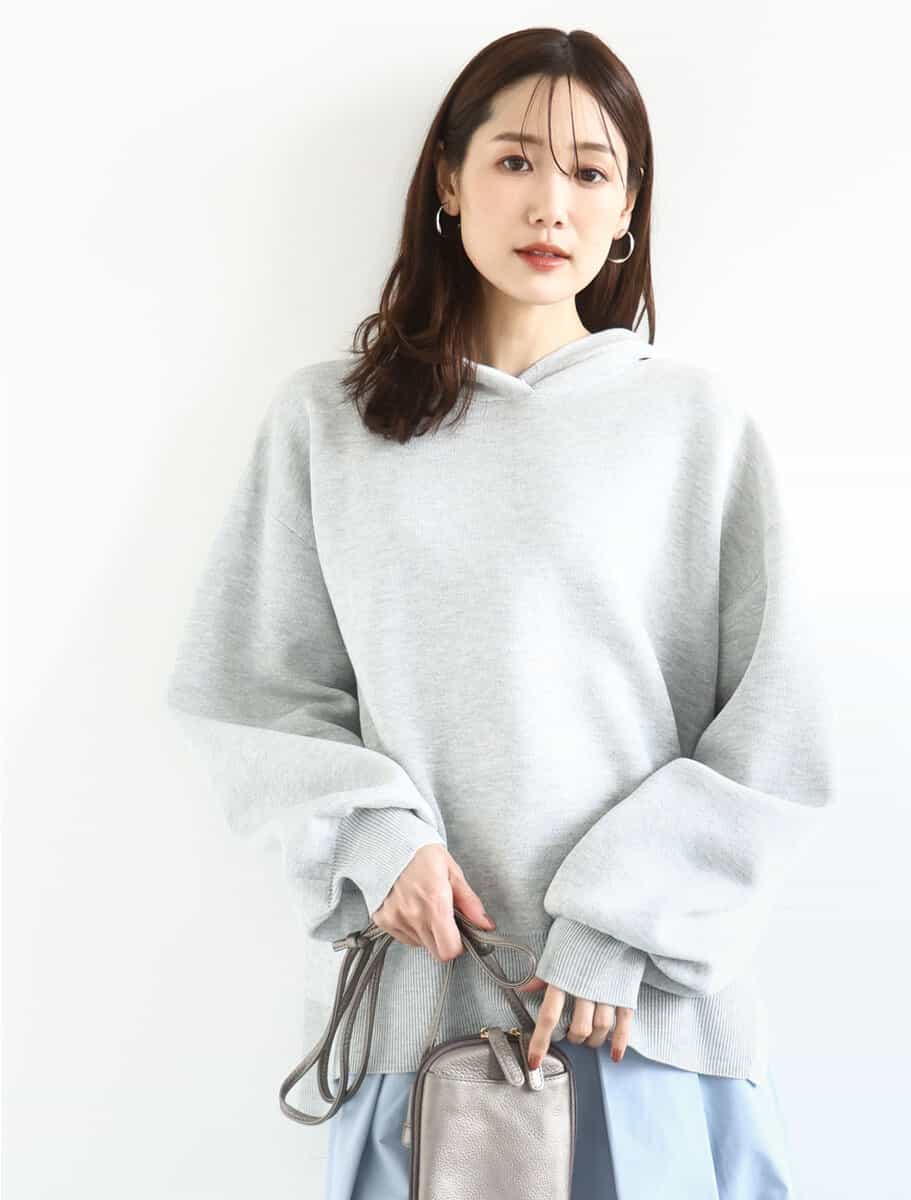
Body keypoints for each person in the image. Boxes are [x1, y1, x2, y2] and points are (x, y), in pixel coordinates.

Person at [165, 25, 836, 1200]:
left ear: (627, 209)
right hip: (424, 1026)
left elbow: (774, 738)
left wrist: (618, 924)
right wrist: (375, 842)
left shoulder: (693, 427)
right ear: (447, 178)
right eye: (515, 160)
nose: (549, 204)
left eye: (589, 171)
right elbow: (247, 690)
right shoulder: (330, 423)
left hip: (644, 1024)